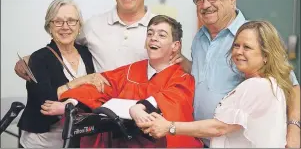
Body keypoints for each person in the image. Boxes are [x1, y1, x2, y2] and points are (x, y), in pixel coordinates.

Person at [171, 0, 300, 147]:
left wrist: (294, 130)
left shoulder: (253, 35)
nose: (205, 4)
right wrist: (185, 64)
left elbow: (291, 85)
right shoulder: (199, 37)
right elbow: (208, 77)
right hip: (202, 140)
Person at [41, 15, 203, 148]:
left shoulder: (182, 77)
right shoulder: (130, 70)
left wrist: (139, 108)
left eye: (161, 35)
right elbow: (101, 85)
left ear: (175, 46)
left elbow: (172, 98)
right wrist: (72, 103)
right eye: (150, 33)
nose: (153, 38)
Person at [137, 20, 294, 147]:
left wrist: (169, 127)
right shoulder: (265, 84)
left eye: (247, 47)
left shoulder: (258, 86)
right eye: (236, 45)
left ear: (266, 55)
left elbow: (219, 127)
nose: (239, 52)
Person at [14, 0, 156, 81]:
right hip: (101, 109)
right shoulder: (93, 25)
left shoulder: (161, 28)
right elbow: (65, 44)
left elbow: (176, 64)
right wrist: (31, 59)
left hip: (144, 110)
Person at [17, 0, 95, 148]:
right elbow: (47, 104)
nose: (65, 27)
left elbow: (97, 92)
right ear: (49, 27)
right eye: (58, 21)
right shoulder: (39, 58)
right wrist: (78, 83)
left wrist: (71, 101)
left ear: (79, 25)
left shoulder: (87, 54)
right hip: (42, 142)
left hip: (77, 138)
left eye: (71, 21)